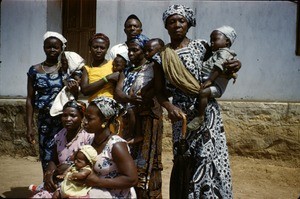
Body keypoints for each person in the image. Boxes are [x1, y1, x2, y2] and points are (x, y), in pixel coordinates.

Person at [153, 4, 241, 198]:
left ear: (189, 23)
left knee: (210, 158)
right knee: (185, 161)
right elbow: (158, 92)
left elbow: (223, 60)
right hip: (182, 117)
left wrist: (236, 64)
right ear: (166, 26)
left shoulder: (202, 46)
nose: (177, 25)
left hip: (207, 112)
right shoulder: (161, 57)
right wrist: (169, 107)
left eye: (181, 21)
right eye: (172, 21)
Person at [114, 35, 164, 198]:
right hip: (128, 118)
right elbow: (118, 92)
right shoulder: (126, 70)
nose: (131, 53)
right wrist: (130, 98)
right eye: (129, 50)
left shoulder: (153, 67)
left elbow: (157, 88)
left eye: (135, 50)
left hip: (148, 119)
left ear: (144, 51)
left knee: (147, 162)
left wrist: (142, 97)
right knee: (126, 160)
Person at [31, 100, 94, 198]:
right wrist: (49, 174)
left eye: (73, 116)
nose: (68, 119)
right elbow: (53, 159)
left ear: (82, 117)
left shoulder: (88, 137)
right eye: (64, 115)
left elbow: (91, 163)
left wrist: (70, 168)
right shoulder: (59, 135)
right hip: (58, 179)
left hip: (77, 183)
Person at [26, 31, 69, 174]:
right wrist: (29, 126)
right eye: (48, 47)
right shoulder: (35, 70)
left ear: (61, 49)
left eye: (55, 47)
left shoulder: (65, 69)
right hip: (44, 121)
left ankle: (61, 188)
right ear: (43, 47)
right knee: (46, 155)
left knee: (62, 153)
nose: (52, 50)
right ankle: (47, 187)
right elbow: (30, 99)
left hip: (63, 120)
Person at [80, 96, 137, 198]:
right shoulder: (89, 140)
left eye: (90, 118)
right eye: (85, 117)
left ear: (105, 121)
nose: (84, 121)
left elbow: (132, 179)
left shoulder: (116, 146)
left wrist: (98, 182)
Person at [187, 25, 238, 130]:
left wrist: (210, 80)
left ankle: (200, 117)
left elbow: (219, 67)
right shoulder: (217, 53)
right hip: (212, 83)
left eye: (215, 39)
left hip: (217, 86)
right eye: (211, 40)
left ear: (227, 42)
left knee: (203, 93)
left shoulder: (225, 53)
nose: (212, 42)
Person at [80, 33, 120, 103]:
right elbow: (85, 90)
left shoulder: (113, 64)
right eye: (95, 47)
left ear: (107, 50)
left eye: (102, 48)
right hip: (93, 105)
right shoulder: (87, 69)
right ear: (90, 49)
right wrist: (107, 78)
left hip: (110, 103)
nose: (98, 50)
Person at [50, 51, 85, 116]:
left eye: (64, 63)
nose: (62, 65)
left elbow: (76, 82)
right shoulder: (65, 73)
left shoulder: (76, 73)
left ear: (72, 63)